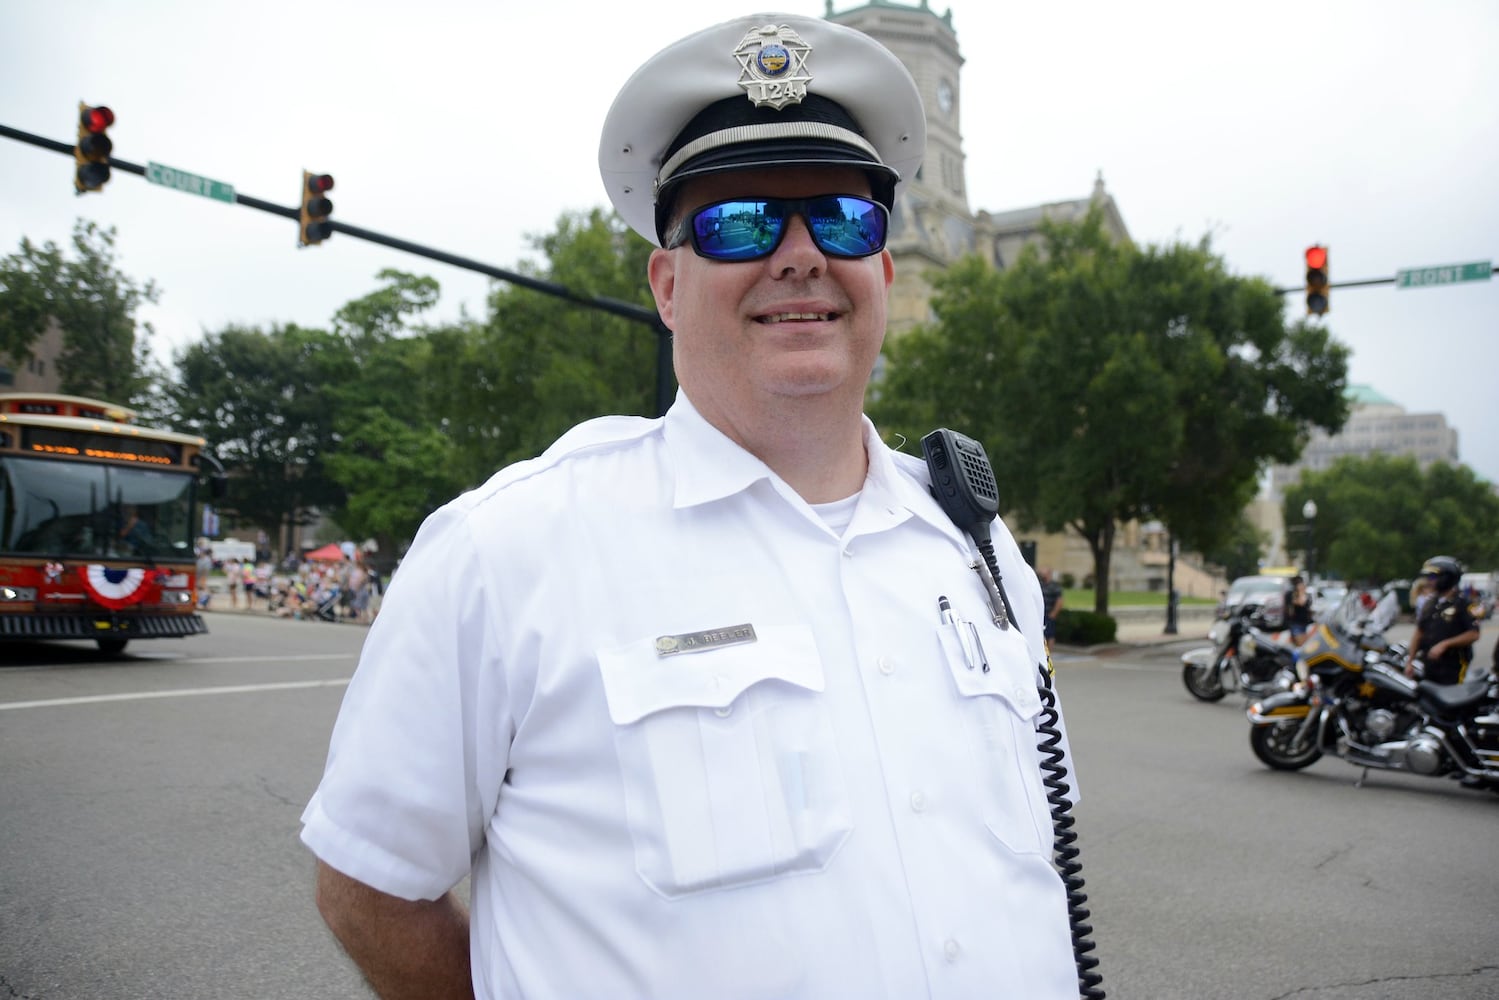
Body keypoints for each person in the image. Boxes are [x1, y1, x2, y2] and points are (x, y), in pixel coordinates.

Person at [301, 13, 1081, 999]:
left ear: (882, 266)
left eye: (841, 218)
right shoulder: (506, 551)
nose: (800, 255)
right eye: (739, 221)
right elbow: (368, 888)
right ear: (667, 285)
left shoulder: (974, 546)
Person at [1404, 555, 1480, 684]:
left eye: (1432, 577)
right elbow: (1419, 632)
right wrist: (1410, 661)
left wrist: (1445, 644)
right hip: (1429, 664)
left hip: (1453, 666)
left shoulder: (1463, 603)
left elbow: (1473, 634)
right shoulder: (1430, 603)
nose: (1429, 581)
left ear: (1446, 578)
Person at [1284, 574, 1314, 645]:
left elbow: (1308, 606)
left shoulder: (1307, 595)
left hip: (1305, 623)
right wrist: (1301, 591)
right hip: (1296, 623)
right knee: (1301, 645)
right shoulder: (1291, 595)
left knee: (1303, 645)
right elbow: (1301, 603)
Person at [1040, 566, 1064, 651]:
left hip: (1049, 614)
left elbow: (1059, 601)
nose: (1043, 575)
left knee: (1050, 634)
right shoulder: (1040, 585)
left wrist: (1053, 614)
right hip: (1041, 614)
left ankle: (1049, 653)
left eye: (1044, 573)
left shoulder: (1055, 586)